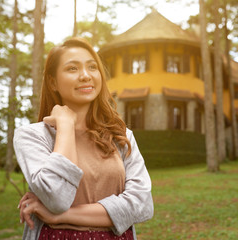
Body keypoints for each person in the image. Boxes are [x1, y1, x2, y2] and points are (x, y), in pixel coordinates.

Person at [13, 37, 154, 240]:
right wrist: (66, 127)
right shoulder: (33, 136)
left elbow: (142, 204)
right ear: (53, 82)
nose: (86, 76)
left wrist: (61, 215)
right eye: (72, 69)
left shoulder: (121, 136)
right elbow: (57, 197)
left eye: (92, 67)